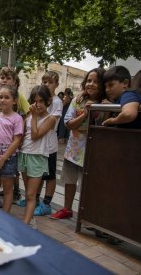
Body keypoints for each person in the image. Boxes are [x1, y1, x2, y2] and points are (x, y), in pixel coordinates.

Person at [50, 68, 106, 219]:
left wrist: (100, 107)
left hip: (93, 151)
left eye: (96, 81)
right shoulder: (78, 100)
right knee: (69, 179)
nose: (91, 84)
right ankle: (67, 209)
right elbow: (68, 123)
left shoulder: (106, 103)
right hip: (74, 149)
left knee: (88, 184)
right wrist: (85, 114)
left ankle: (87, 213)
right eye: (89, 80)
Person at [25, 71, 62, 216]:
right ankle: (35, 199)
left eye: (50, 82)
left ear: (57, 85)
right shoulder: (38, 100)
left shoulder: (56, 102)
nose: (46, 84)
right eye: (44, 81)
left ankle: (46, 203)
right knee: (38, 174)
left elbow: (51, 122)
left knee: (50, 175)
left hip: (49, 146)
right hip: (36, 147)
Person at [18, 85, 56, 225]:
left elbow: (35, 135)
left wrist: (33, 116)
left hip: (38, 157)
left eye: (41, 101)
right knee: (27, 192)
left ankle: (25, 224)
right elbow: (23, 134)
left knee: (30, 194)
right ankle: (30, 220)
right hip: (25, 155)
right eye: (35, 101)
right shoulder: (29, 115)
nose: (38, 104)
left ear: (48, 101)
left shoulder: (50, 119)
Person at [0, 67, 30, 203]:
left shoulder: (19, 97)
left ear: (15, 82)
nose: (4, 80)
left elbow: (29, 112)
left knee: (11, 167)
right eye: (2, 77)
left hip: (12, 139)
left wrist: (20, 126)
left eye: (8, 78)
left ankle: (14, 191)